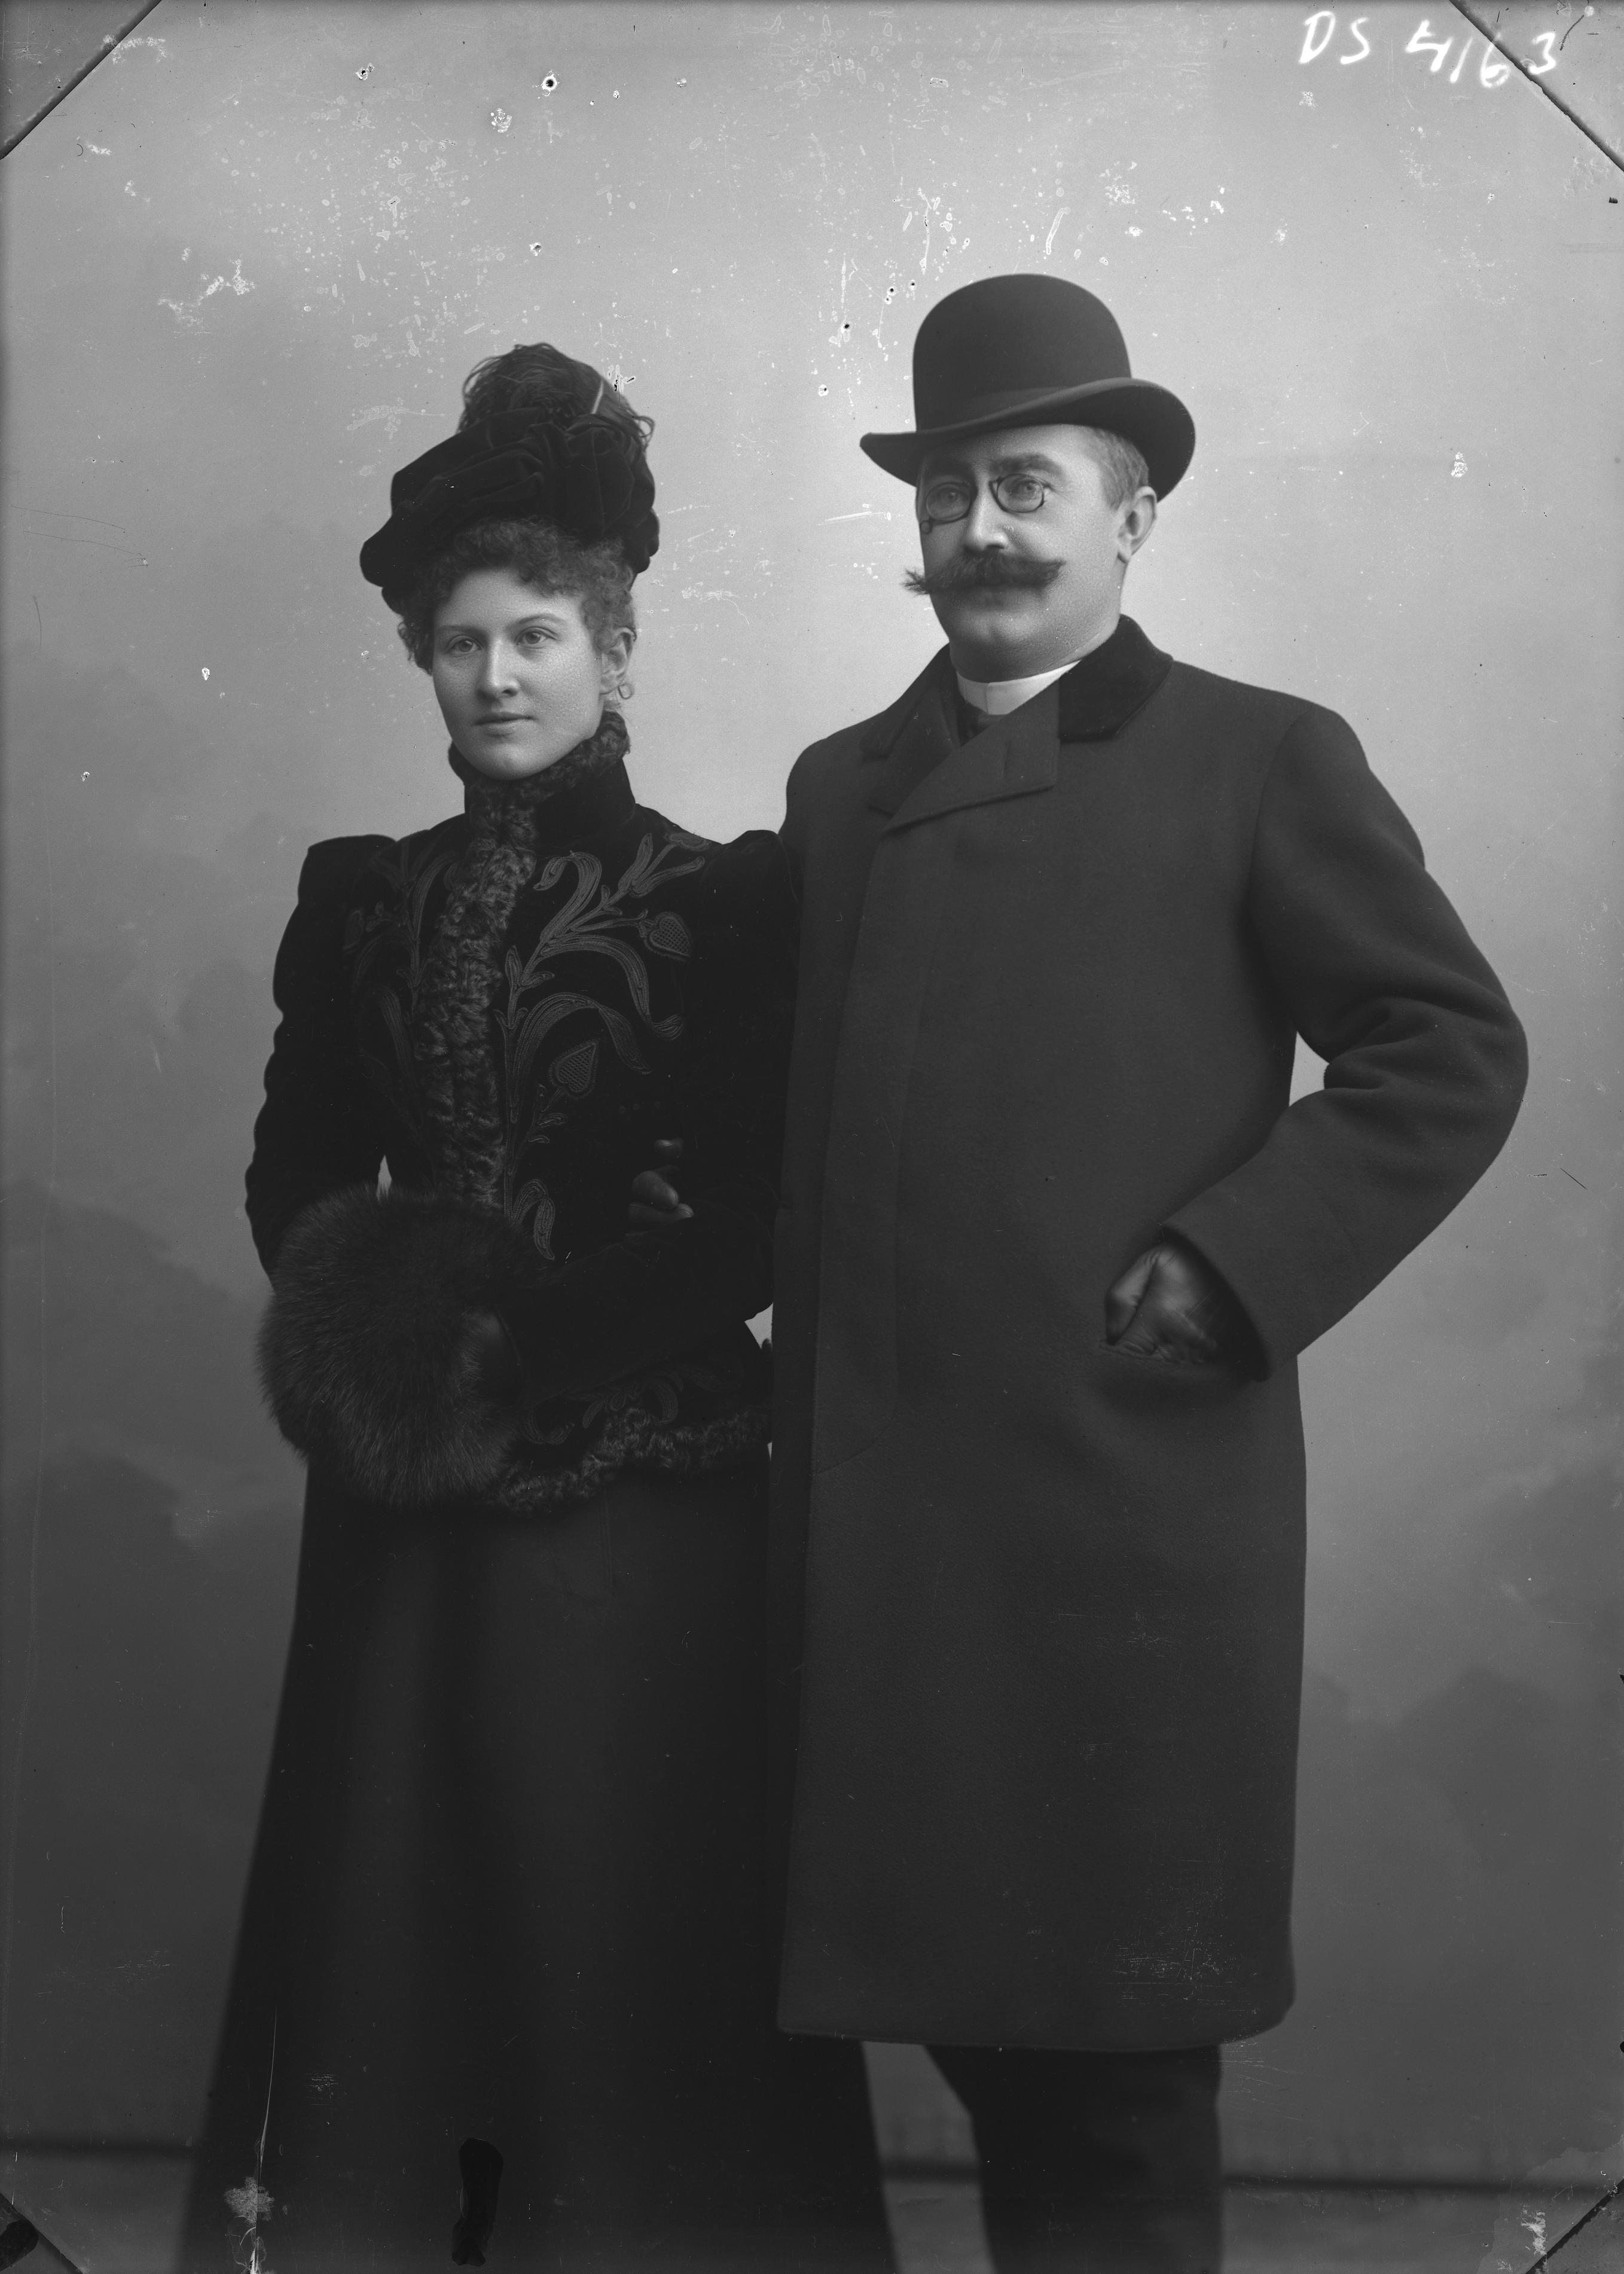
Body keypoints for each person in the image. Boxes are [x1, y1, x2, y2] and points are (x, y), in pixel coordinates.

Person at [685, 273, 1527, 2274]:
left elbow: (1446, 1048)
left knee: (1111, 2074)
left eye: (1028, 487)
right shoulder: (835, 787)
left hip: (1115, 1522)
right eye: (947, 491)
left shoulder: (1260, 758)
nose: (981, 530)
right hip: (883, 1539)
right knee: (973, 2027)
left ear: (1133, 514)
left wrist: (1231, 1264)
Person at [182, 345, 892, 2274]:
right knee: (401, 1916)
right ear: (422, 661)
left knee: (621, 1909)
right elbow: (296, 1169)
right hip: (406, 1485)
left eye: (537, 637)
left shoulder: (726, 896)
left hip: (643, 1490)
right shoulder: (359, 898)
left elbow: (751, 1223)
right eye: (460, 643)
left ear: (615, 650)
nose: (497, 676)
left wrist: (531, 1358)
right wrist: (379, 1339)